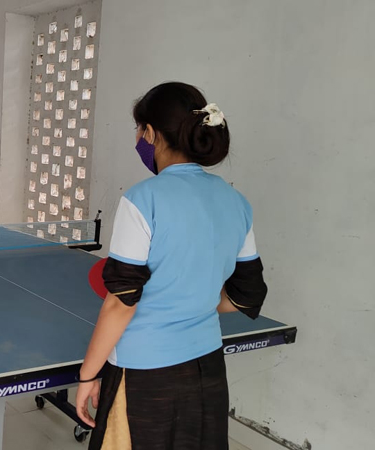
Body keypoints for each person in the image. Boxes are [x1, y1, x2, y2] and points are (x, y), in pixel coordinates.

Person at [75, 82, 268, 449]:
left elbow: (120, 302)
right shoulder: (236, 201)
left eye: (138, 129)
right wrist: (195, 301)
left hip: (145, 372)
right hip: (208, 369)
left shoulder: (142, 199)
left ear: (151, 133)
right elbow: (248, 295)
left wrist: (88, 374)